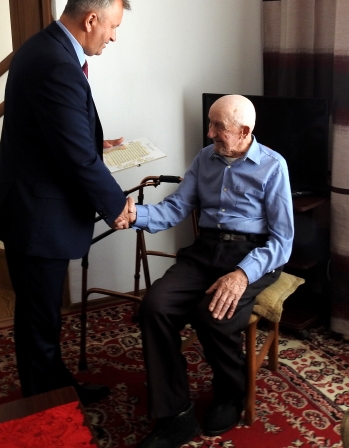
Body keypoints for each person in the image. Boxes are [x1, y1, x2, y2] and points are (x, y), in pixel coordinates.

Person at [0, 0, 135, 404]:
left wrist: (93, 143)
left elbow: (56, 133)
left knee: (43, 315)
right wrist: (115, 205)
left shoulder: (46, 46)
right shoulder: (56, 63)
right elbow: (76, 159)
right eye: (113, 27)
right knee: (38, 321)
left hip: (31, 206)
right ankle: (43, 409)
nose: (114, 37)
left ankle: (58, 388)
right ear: (91, 19)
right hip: (35, 216)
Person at [126, 94, 295, 448]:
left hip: (253, 255)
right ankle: (176, 412)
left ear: (244, 131)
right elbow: (176, 207)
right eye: (210, 124)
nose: (210, 133)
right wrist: (135, 215)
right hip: (205, 250)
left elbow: (282, 241)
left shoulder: (273, 165)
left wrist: (242, 274)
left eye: (218, 126)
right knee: (154, 307)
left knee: (213, 317)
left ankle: (230, 394)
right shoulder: (205, 158)